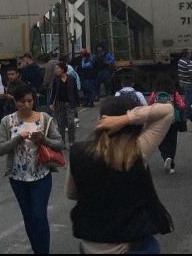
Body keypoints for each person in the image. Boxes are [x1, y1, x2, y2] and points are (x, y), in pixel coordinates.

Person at [67, 98, 175, 254]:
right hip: (129, 243)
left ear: (102, 119)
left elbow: (71, 193)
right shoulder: (137, 151)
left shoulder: (78, 152)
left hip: (90, 243)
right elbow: (167, 111)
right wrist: (126, 119)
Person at [0, 84, 65, 254]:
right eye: (22, 101)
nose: (27, 105)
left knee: (38, 215)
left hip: (41, 176)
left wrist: (44, 140)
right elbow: (1, 149)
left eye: (30, 101)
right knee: (28, 217)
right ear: (15, 102)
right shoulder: (7, 121)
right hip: (17, 178)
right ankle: (37, 250)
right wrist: (17, 139)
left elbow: (60, 143)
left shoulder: (44, 118)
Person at [147, 75, 185, 175]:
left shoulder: (155, 93)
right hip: (172, 120)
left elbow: (150, 104)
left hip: (159, 121)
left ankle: (166, 157)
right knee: (172, 141)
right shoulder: (174, 93)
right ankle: (171, 165)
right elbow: (181, 105)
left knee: (161, 141)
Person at [50, 61, 78, 148]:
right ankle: (62, 142)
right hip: (59, 104)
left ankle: (71, 141)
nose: (56, 70)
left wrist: (77, 104)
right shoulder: (56, 79)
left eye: (57, 68)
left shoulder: (71, 79)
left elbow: (75, 92)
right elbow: (53, 92)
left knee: (71, 123)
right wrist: (51, 103)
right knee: (61, 124)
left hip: (70, 104)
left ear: (62, 69)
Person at [177, 49, 192, 118]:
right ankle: (187, 114)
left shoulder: (180, 61)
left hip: (182, 82)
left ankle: (184, 113)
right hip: (188, 84)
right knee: (190, 100)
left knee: (186, 98)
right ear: (187, 55)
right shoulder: (188, 63)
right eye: (190, 53)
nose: (191, 54)